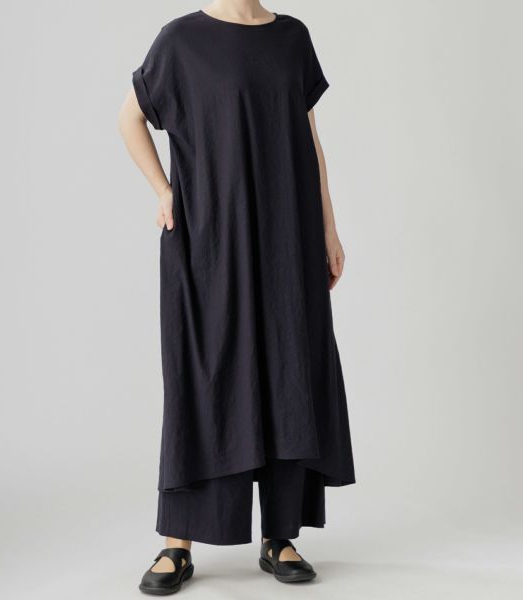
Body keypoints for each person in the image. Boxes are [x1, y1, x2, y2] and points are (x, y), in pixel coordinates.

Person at [119, 1, 355, 594]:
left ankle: (280, 534)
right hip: (210, 236)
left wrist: (328, 228)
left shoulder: (292, 37)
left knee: (288, 370)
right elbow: (129, 118)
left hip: (288, 233)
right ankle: (177, 543)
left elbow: (309, 138)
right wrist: (163, 191)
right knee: (204, 372)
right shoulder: (181, 40)